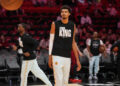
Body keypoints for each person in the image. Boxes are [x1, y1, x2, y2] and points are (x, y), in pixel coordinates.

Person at [48, 5, 81, 86]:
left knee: (65, 81)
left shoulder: (72, 25)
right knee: (58, 80)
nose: (64, 13)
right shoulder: (55, 24)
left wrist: (77, 60)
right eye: (62, 12)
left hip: (67, 56)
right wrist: (50, 57)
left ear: (69, 14)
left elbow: (73, 43)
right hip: (56, 55)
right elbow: (51, 41)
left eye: (66, 12)